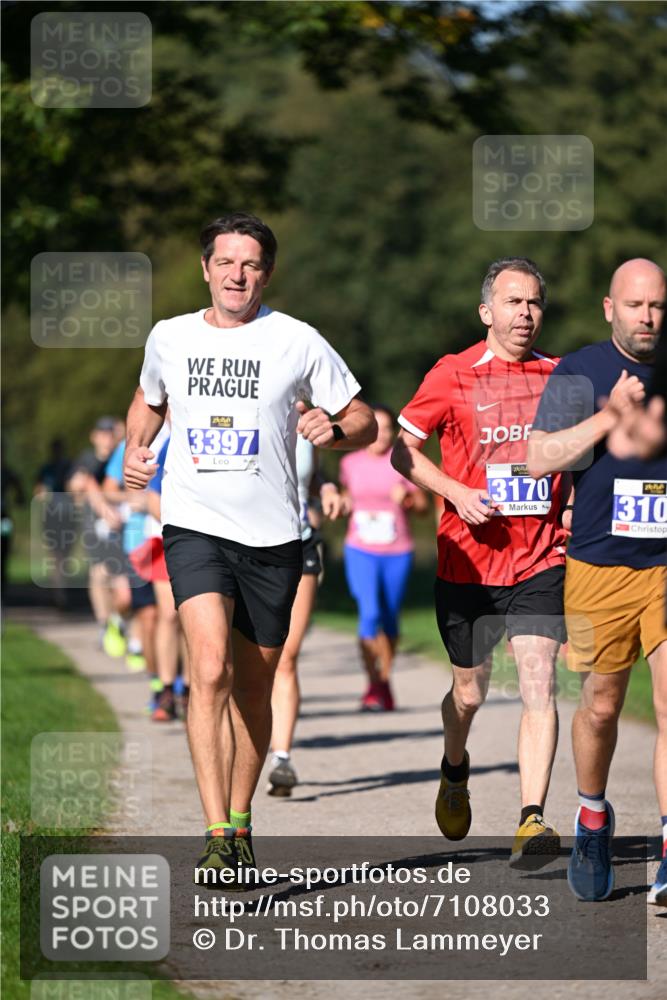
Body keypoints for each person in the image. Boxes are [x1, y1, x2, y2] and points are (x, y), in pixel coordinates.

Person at [123, 212, 376, 882]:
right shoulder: (169, 337)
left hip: (274, 537)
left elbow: (362, 417)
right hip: (194, 524)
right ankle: (212, 833)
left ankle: (239, 822)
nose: (238, 275)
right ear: (206, 268)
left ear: (268, 271)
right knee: (207, 670)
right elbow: (148, 401)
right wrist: (134, 447)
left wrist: (334, 426)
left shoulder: (297, 341)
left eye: (252, 263)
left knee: (254, 688)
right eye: (226, 262)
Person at [392, 257, 569, 869]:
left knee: (539, 682)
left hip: (541, 557)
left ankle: (532, 818)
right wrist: (456, 492)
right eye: (514, 302)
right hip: (466, 561)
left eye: (535, 303)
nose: (526, 314)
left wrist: (570, 509)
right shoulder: (453, 373)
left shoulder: (562, 377)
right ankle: (455, 767)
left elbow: (579, 458)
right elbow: (402, 451)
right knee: (468, 694)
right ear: (486, 311)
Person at [527, 257, 667, 905]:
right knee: (602, 706)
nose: (647, 317)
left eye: (657, 306)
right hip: (599, 565)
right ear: (609, 308)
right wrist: (608, 417)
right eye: (635, 305)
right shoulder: (579, 372)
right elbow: (537, 459)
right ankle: (590, 817)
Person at [266, 434, 344, 795]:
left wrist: (326, 487)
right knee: (244, 658)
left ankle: (281, 757)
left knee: (286, 655)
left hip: (298, 541)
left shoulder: (307, 427)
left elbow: (306, 473)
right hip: (244, 546)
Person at [340, 405, 428, 711]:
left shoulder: (401, 460)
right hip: (360, 548)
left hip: (397, 551)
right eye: (376, 427)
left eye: (388, 428)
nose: (382, 434)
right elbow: (344, 495)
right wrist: (342, 501)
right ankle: (372, 683)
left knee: (389, 617)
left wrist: (407, 499)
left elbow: (423, 505)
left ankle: (385, 681)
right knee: (369, 612)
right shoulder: (349, 463)